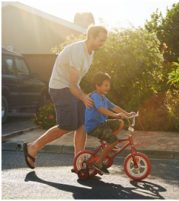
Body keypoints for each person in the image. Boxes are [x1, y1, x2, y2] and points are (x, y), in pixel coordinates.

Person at [23, 25, 108, 169]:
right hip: (60, 88)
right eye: (101, 40)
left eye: (104, 41)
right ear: (91, 37)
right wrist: (83, 97)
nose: (103, 43)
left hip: (72, 89)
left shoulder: (90, 53)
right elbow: (72, 84)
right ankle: (33, 147)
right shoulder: (77, 52)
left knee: (82, 123)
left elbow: (76, 84)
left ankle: (78, 162)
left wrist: (83, 96)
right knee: (67, 125)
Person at [85, 72, 134, 174]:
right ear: (97, 86)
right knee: (114, 140)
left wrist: (127, 114)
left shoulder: (103, 97)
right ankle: (98, 163)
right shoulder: (95, 96)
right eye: (105, 85)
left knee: (120, 122)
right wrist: (115, 115)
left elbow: (114, 107)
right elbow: (100, 109)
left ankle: (109, 143)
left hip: (102, 123)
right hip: (94, 127)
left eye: (109, 85)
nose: (108, 87)